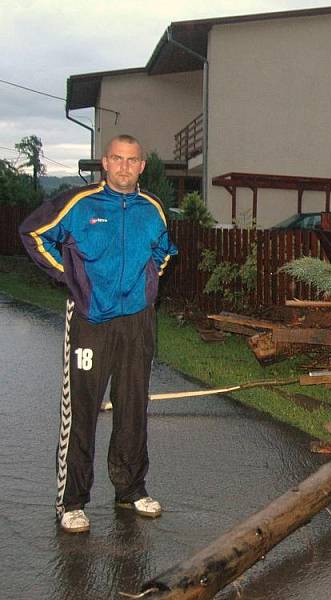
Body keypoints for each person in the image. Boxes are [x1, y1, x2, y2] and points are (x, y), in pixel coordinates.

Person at [19, 134, 178, 533]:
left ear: (142, 166)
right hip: (91, 319)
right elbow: (33, 234)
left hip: (137, 322)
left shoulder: (153, 208)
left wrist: (147, 287)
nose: (124, 167)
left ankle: (130, 488)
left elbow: (163, 250)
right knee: (83, 410)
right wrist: (71, 278)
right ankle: (72, 500)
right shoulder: (78, 204)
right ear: (104, 163)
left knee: (132, 407)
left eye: (132, 160)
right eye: (117, 159)